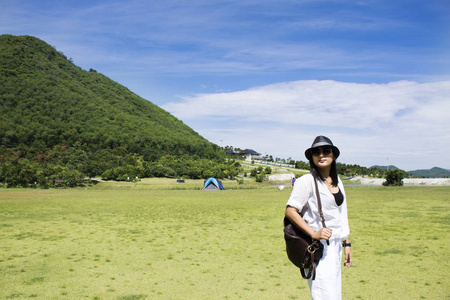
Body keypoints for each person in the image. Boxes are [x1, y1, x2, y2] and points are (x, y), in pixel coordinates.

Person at [285, 136, 352, 300]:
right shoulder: (306, 181)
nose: (321, 155)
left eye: (326, 151)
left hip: (335, 246)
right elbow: (290, 210)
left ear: (333, 155)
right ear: (312, 157)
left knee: (334, 295)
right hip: (317, 249)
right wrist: (314, 233)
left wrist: (346, 243)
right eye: (316, 152)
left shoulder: (337, 181)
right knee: (324, 296)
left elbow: (341, 214)